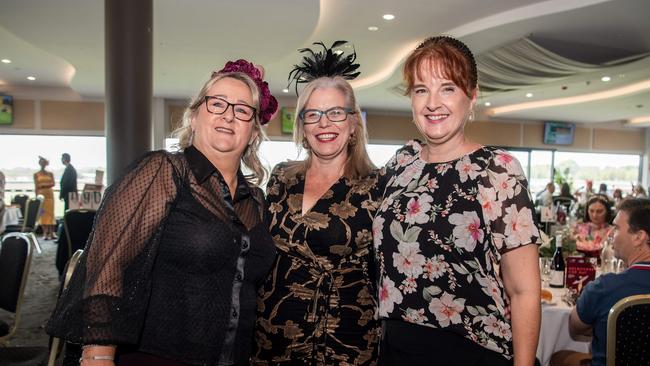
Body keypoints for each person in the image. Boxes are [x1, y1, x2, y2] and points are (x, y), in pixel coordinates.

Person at [46, 59, 278, 366]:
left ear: (252, 131)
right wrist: (98, 353)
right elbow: (108, 263)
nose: (228, 115)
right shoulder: (164, 172)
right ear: (194, 117)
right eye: (217, 104)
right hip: (156, 355)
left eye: (242, 109)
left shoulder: (256, 201)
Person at [374, 36, 541, 366]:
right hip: (396, 350)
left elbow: (524, 292)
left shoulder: (496, 170)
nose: (432, 102)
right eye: (421, 89)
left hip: (471, 352)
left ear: (472, 96)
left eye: (447, 88)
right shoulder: (399, 166)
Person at [253, 41, 380, 365]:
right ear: (303, 126)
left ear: (353, 124)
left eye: (335, 113)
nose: (324, 123)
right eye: (313, 114)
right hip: (271, 339)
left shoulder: (378, 187)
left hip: (343, 343)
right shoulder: (281, 177)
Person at [551, 198, 650, 366]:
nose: (610, 234)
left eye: (617, 228)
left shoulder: (605, 287)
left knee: (557, 357)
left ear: (639, 237)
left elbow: (575, 328)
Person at [35, 156, 56, 239]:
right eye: (41, 162)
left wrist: (43, 185)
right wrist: (36, 197)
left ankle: (52, 232)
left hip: (50, 195)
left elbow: (53, 183)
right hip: (41, 195)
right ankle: (45, 233)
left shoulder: (50, 174)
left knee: (51, 214)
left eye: (44, 162)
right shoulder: (36, 174)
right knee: (43, 213)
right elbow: (36, 186)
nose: (43, 164)